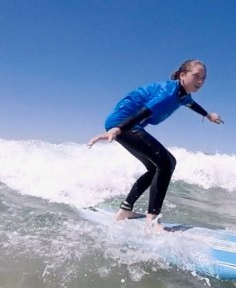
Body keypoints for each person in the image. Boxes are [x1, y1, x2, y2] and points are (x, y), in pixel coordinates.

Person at [87, 59, 223, 229]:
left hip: (124, 125)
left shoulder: (182, 95)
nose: (200, 81)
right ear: (182, 75)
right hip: (124, 123)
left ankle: (125, 211)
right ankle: (152, 219)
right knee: (167, 163)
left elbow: (191, 104)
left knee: (154, 168)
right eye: (196, 76)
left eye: (204, 78)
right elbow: (144, 112)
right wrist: (118, 129)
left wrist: (208, 115)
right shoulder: (168, 93)